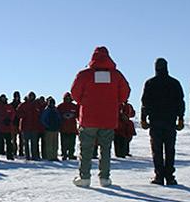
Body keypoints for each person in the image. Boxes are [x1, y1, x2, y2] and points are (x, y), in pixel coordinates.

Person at [70, 46, 130, 187]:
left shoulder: (84, 74)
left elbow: (74, 93)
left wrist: (84, 102)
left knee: (86, 148)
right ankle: (104, 178)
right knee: (105, 148)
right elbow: (125, 92)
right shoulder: (116, 75)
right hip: (108, 118)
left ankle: (84, 178)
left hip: (89, 117)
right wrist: (113, 102)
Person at [141, 58, 185, 186]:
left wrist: (144, 118)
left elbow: (145, 103)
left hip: (156, 121)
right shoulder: (174, 83)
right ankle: (170, 177)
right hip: (170, 121)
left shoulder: (150, 83)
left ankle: (159, 176)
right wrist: (180, 117)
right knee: (170, 149)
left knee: (157, 150)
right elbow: (180, 102)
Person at [17, 91, 44, 160]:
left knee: (34, 143)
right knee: (26, 143)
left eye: (33, 96)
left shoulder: (37, 105)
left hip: (34, 127)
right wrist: (24, 115)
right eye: (30, 96)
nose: (31, 97)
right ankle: (27, 156)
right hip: (25, 127)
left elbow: (41, 114)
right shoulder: (23, 105)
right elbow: (18, 114)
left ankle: (34, 156)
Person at [0, 94, 16, 161]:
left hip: (7, 128)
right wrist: (4, 119)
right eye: (2, 98)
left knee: (9, 143)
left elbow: (13, 113)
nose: (4, 99)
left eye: (4, 98)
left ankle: (9, 156)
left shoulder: (9, 106)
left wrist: (9, 119)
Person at [56, 93, 79, 161]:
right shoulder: (60, 106)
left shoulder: (74, 106)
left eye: (69, 98)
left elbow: (78, 115)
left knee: (72, 143)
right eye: (67, 98)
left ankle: (71, 154)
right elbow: (57, 116)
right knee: (64, 143)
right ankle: (64, 154)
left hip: (72, 128)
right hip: (63, 128)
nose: (68, 99)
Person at [40, 97, 61, 161]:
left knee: (55, 144)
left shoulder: (55, 110)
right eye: (51, 103)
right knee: (49, 144)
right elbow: (42, 120)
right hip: (49, 130)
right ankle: (50, 156)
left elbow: (59, 118)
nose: (52, 104)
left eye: (53, 103)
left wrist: (58, 125)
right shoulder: (46, 110)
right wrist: (47, 126)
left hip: (55, 129)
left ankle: (54, 156)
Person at [11, 91, 23, 157]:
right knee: (14, 139)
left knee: (21, 139)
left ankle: (21, 151)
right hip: (14, 124)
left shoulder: (21, 104)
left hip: (20, 123)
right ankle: (14, 151)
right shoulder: (11, 105)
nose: (17, 97)